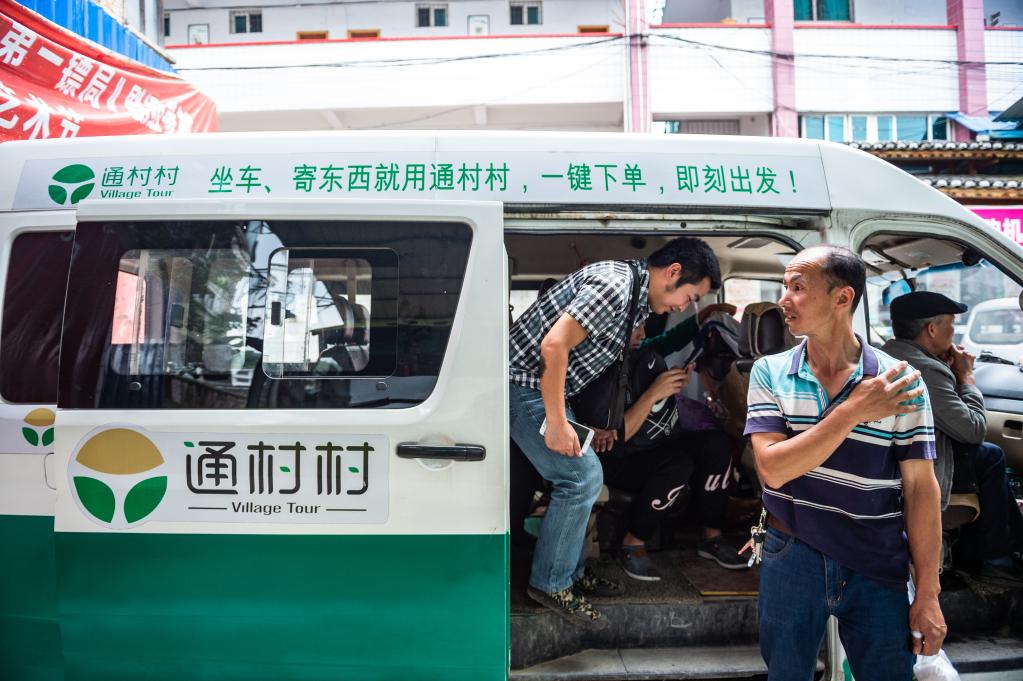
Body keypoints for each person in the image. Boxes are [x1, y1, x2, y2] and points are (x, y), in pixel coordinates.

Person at [743, 245, 946, 680]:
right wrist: (853, 411)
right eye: (784, 286)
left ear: (842, 297)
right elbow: (773, 469)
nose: (784, 300)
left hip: (876, 558)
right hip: (791, 552)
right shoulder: (770, 373)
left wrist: (928, 592)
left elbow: (920, 489)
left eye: (798, 288)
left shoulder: (900, 383)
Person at [508, 237, 721, 629]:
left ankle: (570, 574)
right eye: (690, 296)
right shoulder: (615, 287)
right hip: (523, 387)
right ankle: (551, 583)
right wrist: (557, 422)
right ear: (673, 273)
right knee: (581, 477)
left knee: (588, 476)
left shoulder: (634, 298)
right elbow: (554, 346)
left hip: (547, 390)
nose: (684, 306)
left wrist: (592, 424)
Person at [883, 291, 1023, 587]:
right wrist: (967, 378)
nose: (954, 332)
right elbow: (973, 429)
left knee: (985, 456)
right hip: (918, 473)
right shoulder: (925, 370)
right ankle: (998, 561)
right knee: (990, 455)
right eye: (951, 324)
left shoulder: (890, 355)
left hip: (894, 462)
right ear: (932, 329)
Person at [593, 322, 747, 582]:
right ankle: (633, 543)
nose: (642, 334)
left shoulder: (644, 357)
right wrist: (654, 393)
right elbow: (616, 439)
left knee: (716, 445)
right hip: (618, 455)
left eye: (644, 325)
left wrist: (673, 384)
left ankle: (712, 536)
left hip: (656, 440)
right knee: (678, 464)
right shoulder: (597, 370)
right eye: (635, 327)